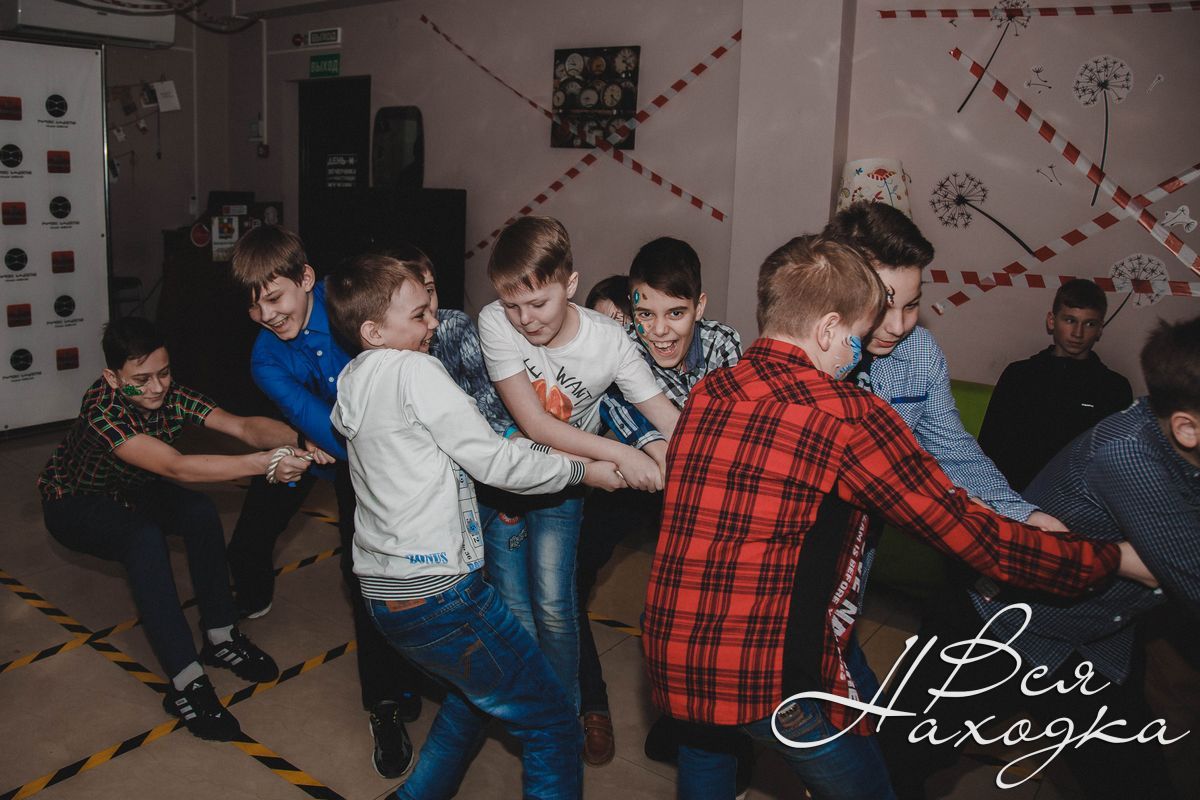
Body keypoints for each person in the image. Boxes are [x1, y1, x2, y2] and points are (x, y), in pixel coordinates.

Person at [640, 234, 1154, 800]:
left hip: (672, 650)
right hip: (770, 674)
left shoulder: (710, 391)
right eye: (858, 339)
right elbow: (972, 534)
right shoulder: (847, 414)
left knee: (709, 757)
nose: (860, 355)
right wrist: (1107, 559)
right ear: (828, 330)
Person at [324, 254, 624, 799]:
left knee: (475, 696)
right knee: (553, 722)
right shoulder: (414, 370)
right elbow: (495, 461)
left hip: (384, 596)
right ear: (374, 331)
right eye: (418, 316)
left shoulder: (351, 379)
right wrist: (583, 471)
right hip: (442, 595)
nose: (433, 323)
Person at [880, 314, 1198, 800]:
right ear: (1187, 428)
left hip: (1095, 641)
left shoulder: (1161, 431)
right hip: (1000, 626)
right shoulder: (1129, 455)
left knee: (1134, 780)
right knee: (896, 759)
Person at [38, 316, 301, 741]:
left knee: (199, 512)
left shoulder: (169, 393)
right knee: (142, 540)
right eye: (141, 379)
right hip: (75, 502)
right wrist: (264, 463)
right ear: (112, 377)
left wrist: (301, 438)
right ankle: (185, 682)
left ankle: (220, 636)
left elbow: (240, 426)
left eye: (163, 373)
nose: (157, 387)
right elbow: (176, 466)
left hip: (132, 487)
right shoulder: (102, 409)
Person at [222, 225, 420, 779]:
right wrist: (307, 438)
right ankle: (251, 592)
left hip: (377, 451)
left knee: (366, 576)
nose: (266, 315)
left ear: (307, 278)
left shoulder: (351, 298)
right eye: (254, 306)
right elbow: (325, 432)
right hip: (320, 441)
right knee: (253, 532)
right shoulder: (265, 359)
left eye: (275, 298)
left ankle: (384, 702)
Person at [477, 215, 680, 710]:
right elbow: (536, 425)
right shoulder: (494, 321)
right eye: (513, 305)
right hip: (504, 481)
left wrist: (705, 462)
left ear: (570, 285)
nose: (525, 319)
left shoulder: (609, 341)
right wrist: (623, 455)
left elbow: (665, 415)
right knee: (512, 607)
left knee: (554, 607)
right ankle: (535, 715)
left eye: (538, 303)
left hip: (564, 487)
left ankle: (564, 715)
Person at [574, 239, 742, 770]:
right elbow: (621, 410)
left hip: (699, 488)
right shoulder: (620, 343)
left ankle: (693, 726)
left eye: (676, 313)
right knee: (568, 578)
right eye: (645, 313)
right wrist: (654, 448)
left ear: (700, 305)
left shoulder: (724, 345)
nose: (660, 330)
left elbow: (725, 430)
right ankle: (589, 704)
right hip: (631, 475)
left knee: (690, 606)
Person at [822, 201, 1063, 531]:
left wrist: (1021, 515)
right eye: (882, 306)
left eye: (911, 305)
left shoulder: (920, 353)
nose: (897, 326)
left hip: (861, 541)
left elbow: (953, 451)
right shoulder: (808, 350)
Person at [978, 278, 1133, 491]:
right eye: (1070, 320)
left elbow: (1114, 465)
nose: (1078, 333)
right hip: (1014, 495)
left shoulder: (1113, 389)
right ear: (1052, 321)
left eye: (1089, 324)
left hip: (1077, 500)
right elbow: (989, 446)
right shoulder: (1020, 376)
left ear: (1099, 329)